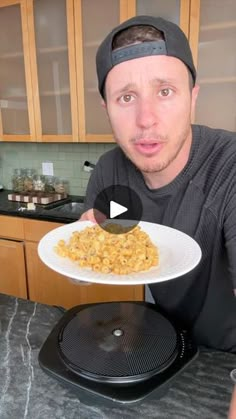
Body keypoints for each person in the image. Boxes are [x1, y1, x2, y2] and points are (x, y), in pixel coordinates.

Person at [80, 15, 236, 352]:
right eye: (126, 98)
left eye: (164, 91)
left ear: (192, 97)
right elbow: (86, 265)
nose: (146, 119)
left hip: (225, 360)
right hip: (163, 344)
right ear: (106, 108)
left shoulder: (230, 167)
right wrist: (85, 247)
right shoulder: (110, 170)